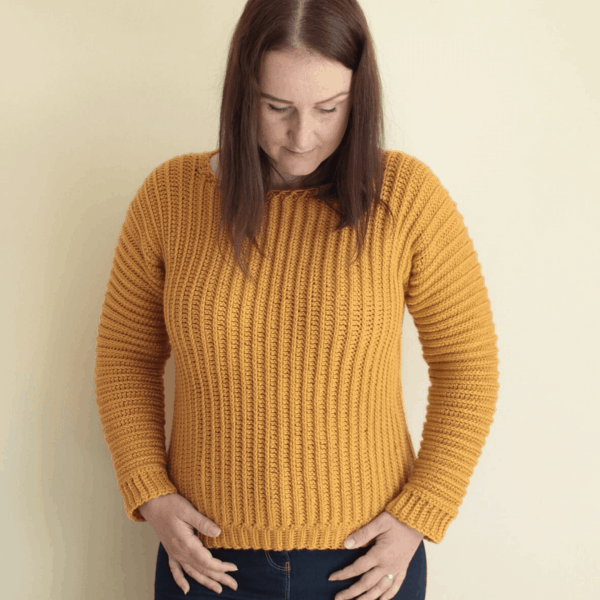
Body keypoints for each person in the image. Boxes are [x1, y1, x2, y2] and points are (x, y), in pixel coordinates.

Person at [93, 1, 500, 598]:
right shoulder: (169, 199)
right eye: (277, 107)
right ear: (241, 94)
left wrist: (422, 511)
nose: (302, 136)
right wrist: (150, 492)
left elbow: (469, 367)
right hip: (205, 562)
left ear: (359, 97)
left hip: (366, 564)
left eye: (329, 109)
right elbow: (125, 361)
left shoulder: (406, 197)